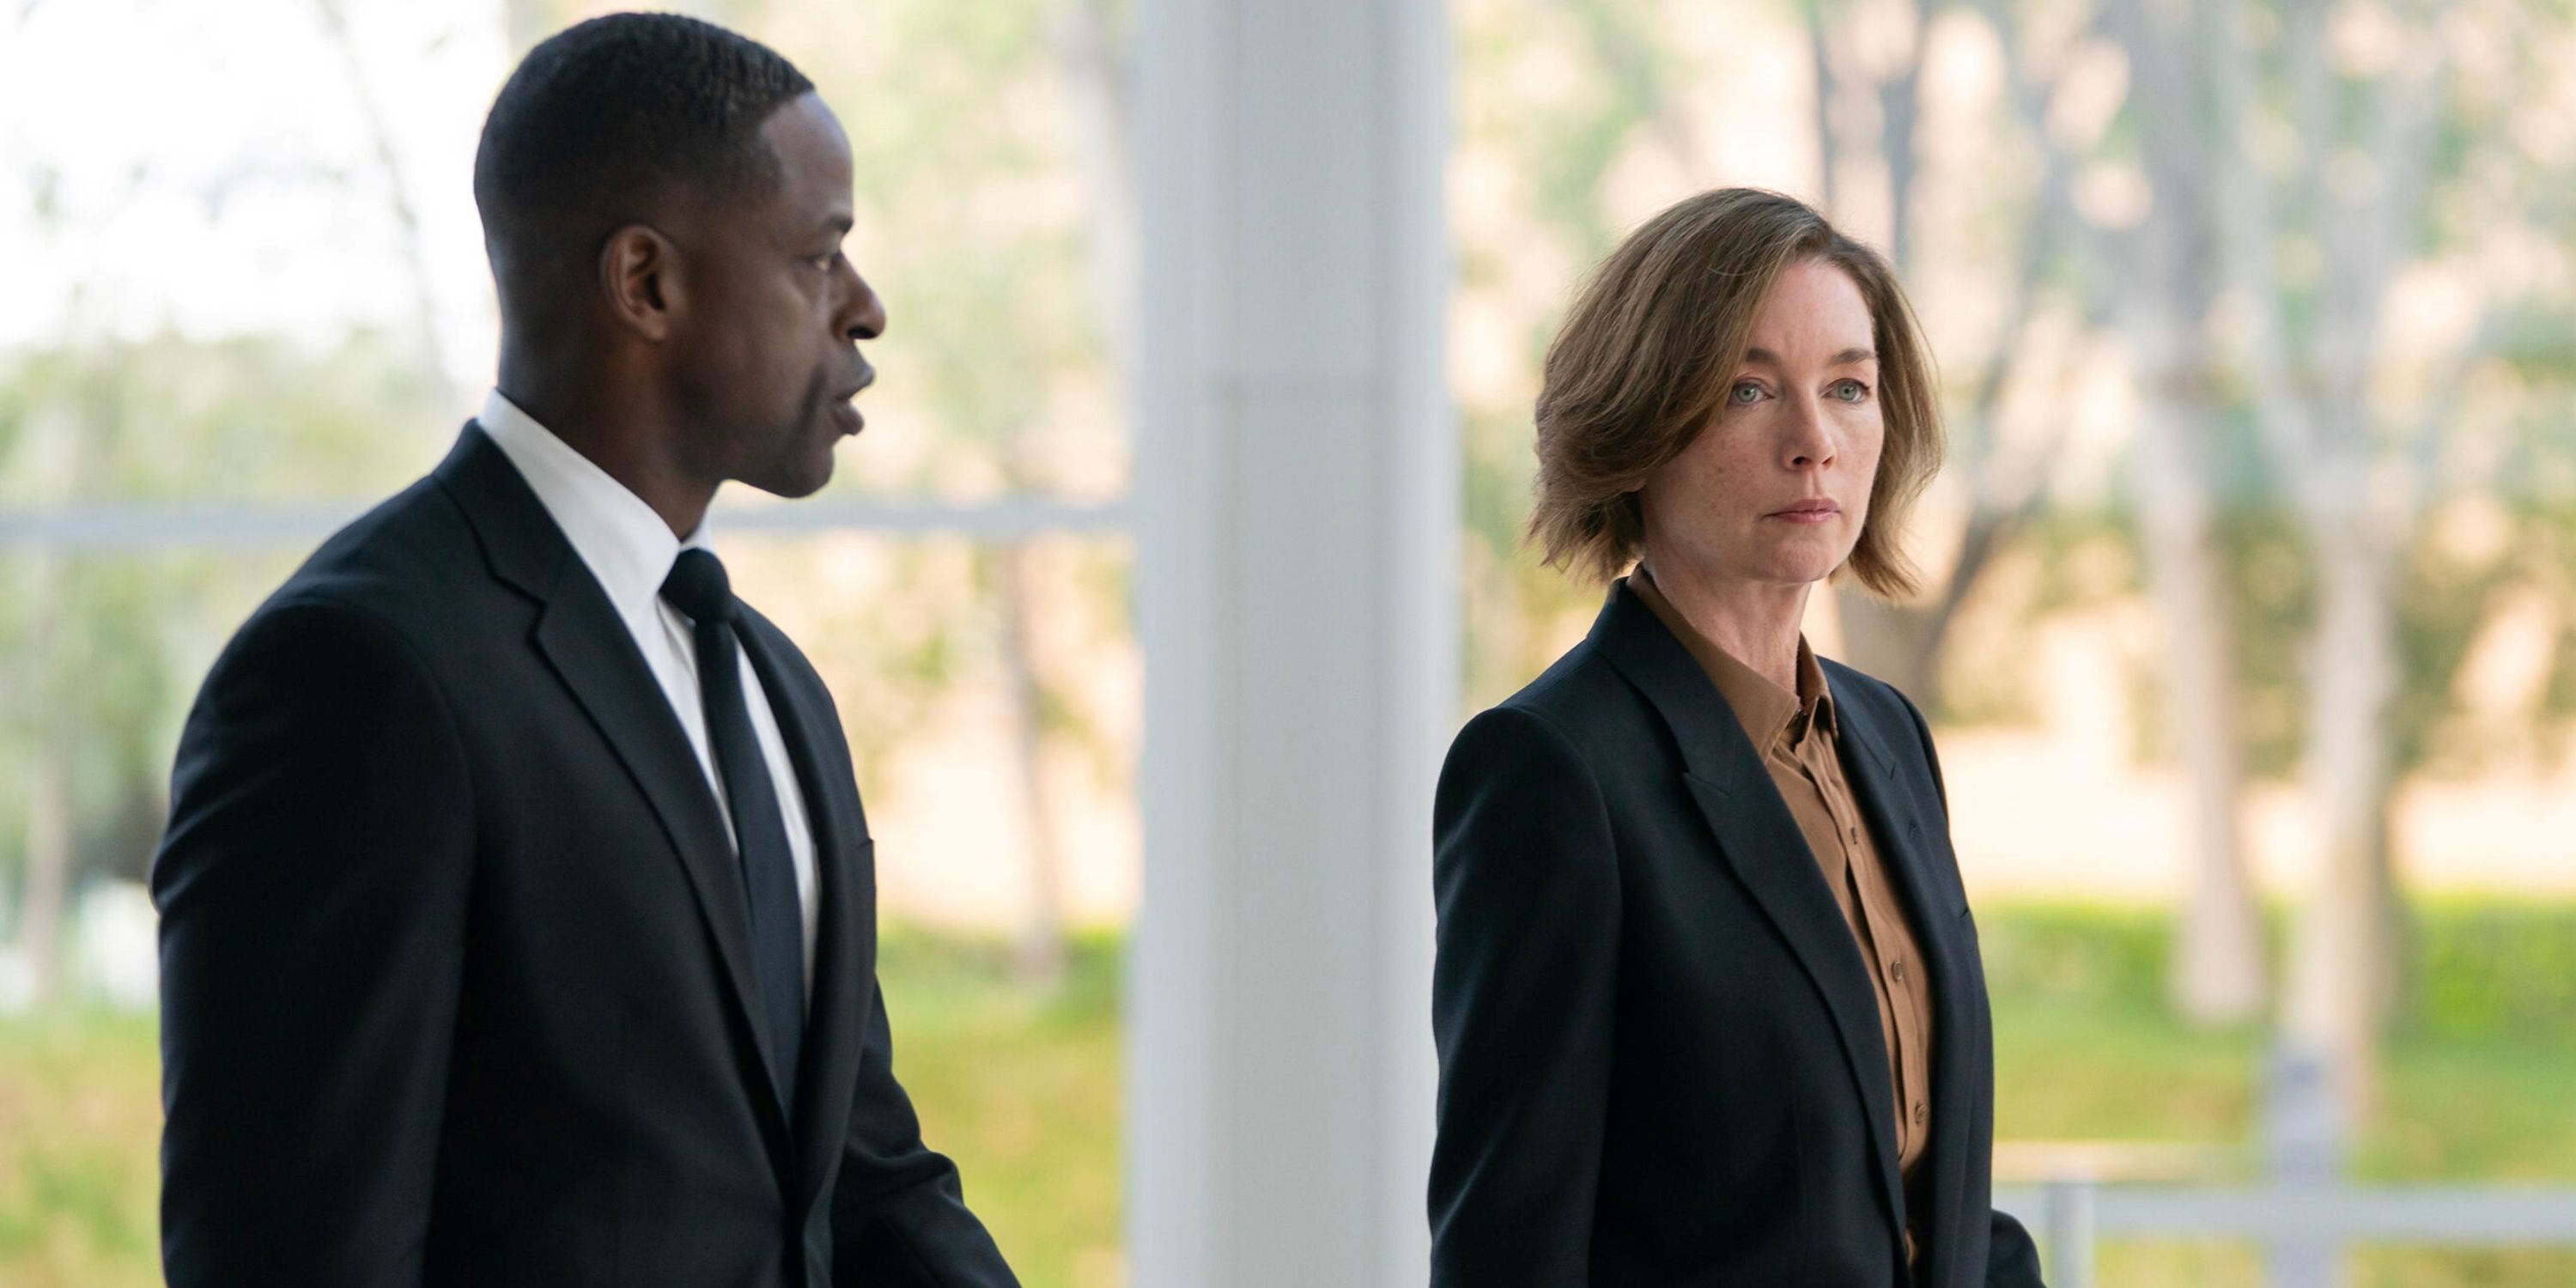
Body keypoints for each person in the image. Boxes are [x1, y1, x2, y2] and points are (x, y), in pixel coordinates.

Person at [152, 15, 1018, 1287]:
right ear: (645, 285)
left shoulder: (773, 684)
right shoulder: (356, 674)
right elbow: (292, 1256)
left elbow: (860, 1183)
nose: (866, 309)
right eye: (820, 255)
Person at [1428, 188, 2046, 1288]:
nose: (1814, 443)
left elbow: (1933, 1204)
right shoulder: (1549, 773)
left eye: (1849, 388)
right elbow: (1507, 1254)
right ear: (1636, 424)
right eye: (1748, 390)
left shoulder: (1887, 734)